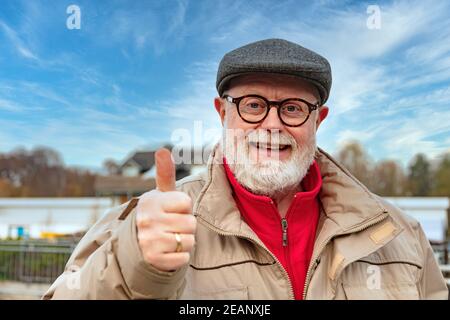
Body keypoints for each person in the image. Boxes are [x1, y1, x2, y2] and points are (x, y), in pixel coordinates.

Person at [43, 38, 448, 300]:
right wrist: (136, 264)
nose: (272, 125)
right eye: (253, 105)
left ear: (318, 120)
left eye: (292, 108)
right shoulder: (149, 225)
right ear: (222, 112)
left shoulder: (400, 234)